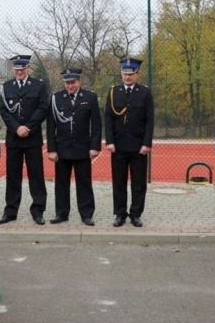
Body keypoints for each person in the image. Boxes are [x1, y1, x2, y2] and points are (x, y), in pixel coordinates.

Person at [0, 54, 49, 225]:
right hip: (14, 138)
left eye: (23, 69)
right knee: (13, 177)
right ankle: (10, 211)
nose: (19, 71)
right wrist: (16, 128)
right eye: (17, 69)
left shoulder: (39, 85)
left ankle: (38, 211)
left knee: (36, 176)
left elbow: (43, 107)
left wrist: (28, 127)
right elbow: (4, 110)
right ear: (13, 69)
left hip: (32, 138)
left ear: (28, 68)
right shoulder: (6, 87)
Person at [47, 68, 101, 226]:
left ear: (79, 81)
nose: (70, 86)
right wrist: (51, 149)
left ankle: (86, 214)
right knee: (61, 183)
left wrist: (94, 146)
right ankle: (62, 213)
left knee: (84, 183)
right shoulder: (56, 98)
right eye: (67, 83)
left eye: (73, 82)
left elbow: (96, 124)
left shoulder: (90, 97)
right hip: (62, 148)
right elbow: (51, 126)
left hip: (82, 148)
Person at [104, 58, 154, 227]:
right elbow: (108, 118)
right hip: (118, 146)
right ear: (121, 74)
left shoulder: (145, 93)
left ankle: (136, 214)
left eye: (130, 74)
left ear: (137, 74)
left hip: (138, 146)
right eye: (124, 74)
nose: (127, 77)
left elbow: (149, 120)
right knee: (119, 182)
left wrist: (146, 144)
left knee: (138, 183)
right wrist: (109, 141)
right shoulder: (113, 92)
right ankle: (120, 213)